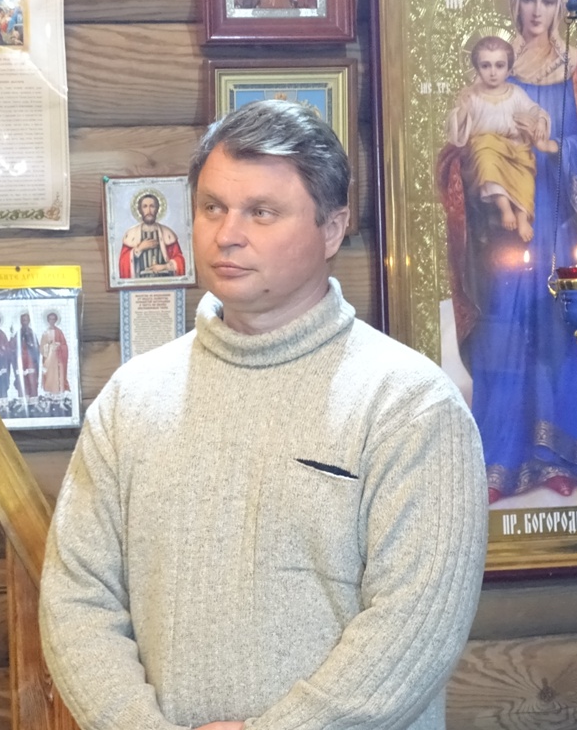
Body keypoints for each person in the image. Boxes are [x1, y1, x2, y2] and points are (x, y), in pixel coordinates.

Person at [40, 99, 488, 730]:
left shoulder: (410, 404)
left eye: (262, 212)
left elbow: (414, 630)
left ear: (332, 229)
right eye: (212, 207)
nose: (227, 234)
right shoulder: (131, 399)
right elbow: (77, 598)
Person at [437, 0, 577, 504]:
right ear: (514, 5)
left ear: (560, 8)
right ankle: (500, 460)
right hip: (507, 232)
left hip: (559, 220)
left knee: (560, 335)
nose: (537, 11)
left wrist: (554, 148)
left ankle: (562, 457)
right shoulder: (494, 66)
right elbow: (455, 149)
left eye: (548, 0)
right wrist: (472, 160)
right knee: (504, 332)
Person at [445, 35, 557, 243]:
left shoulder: (515, 94)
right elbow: (456, 130)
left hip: (515, 149)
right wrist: (463, 110)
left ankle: (522, 218)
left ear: (508, 69)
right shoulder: (472, 96)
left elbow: (535, 110)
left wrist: (540, 122)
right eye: (486, 65)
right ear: (477, 69)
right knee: (487, 163)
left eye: (499, 65)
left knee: (525, 177)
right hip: (485, 147)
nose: (493, 72)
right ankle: (505, 209)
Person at [118, 192, 187, 279]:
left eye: (152, 206)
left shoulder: (167, 233)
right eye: (145, 206)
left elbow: (180, 260)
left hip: (164, 281)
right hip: (139, 283)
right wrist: (139, 249)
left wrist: (165, 267)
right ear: (140, 210)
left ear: (157, 209)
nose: (149, 211)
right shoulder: (131, 234)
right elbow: (123, 262)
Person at [12, 312, 40, 405]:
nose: (25, 322)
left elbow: (36, 348)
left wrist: (31, 345)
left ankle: (33, 402)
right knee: (21, 380)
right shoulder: (18, 333)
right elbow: (13, 347)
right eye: (23, 320)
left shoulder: (32, 333)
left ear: (29, 321)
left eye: (26, 320)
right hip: (21, 360)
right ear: (20, 321)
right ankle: (23, 402)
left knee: (32, 380)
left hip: (30, 360)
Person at [40, 311, 69, 397]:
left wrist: (59, 345)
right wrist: (48, 346)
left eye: (53, 319)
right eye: (50, 319)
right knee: (49, 375)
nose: (52, 321)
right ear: (48, 320)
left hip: (58, 357)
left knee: (58, 374)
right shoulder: (45, 333)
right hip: (48, 358)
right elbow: (42, 347)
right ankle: (49, 392)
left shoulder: (59, 332)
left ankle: (58, 393)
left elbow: (64, 345)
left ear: (56, 320)